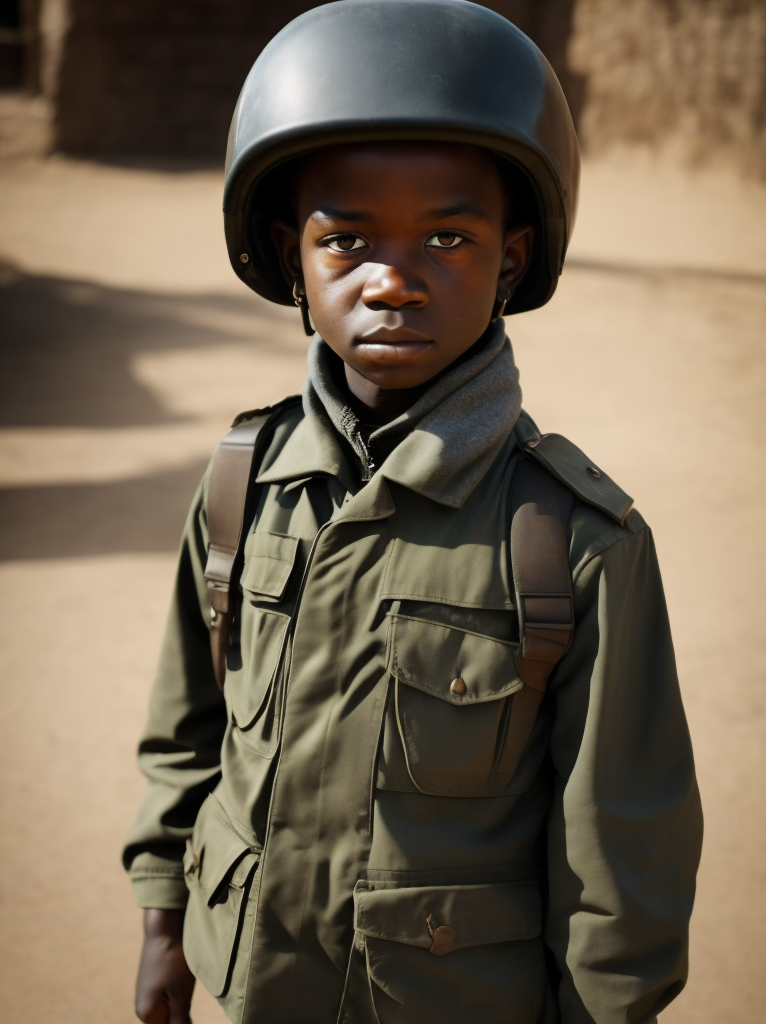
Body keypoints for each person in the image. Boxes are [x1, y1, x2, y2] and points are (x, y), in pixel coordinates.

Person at [124, 3, 703, 1023]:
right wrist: (165, 923)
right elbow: (190, 727)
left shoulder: (574, 540)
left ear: (512, 261)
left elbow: (621, 846)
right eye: (346, 239)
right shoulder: (240, 485)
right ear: (288, 255)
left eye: (447, 235)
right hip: (254, 984)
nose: (393, 281)